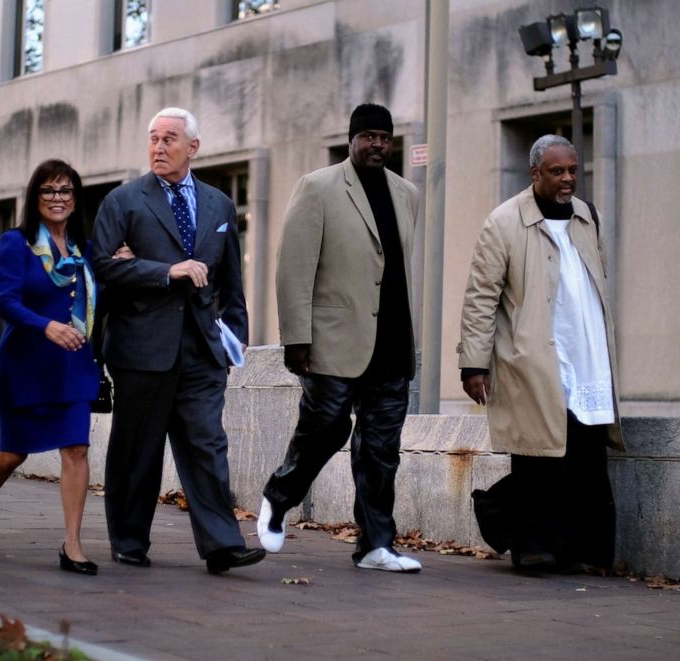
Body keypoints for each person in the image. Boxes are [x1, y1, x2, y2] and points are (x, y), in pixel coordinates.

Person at [91, 107, 266, 575]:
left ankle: (223, 545)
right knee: (137, 449)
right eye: (153, 138)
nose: (158, 147)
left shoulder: (219, 205)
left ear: (192, 147)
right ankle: (128, 540)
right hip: (142, 348)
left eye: (169, 139)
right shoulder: (123, 201)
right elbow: (103, 265)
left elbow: (232, 279)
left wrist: (237, 334)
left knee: (207, 445)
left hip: (203, 351)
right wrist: (165, 271)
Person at [257, 103, 422, 573]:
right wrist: (296, 337)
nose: (376, 145)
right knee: (325, 428)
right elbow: (294, 266)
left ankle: (375, 545)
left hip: (391, 342)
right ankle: (279, 494)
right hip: (333, 339)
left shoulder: (407, 193)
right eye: (368, 136)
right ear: (352, 140)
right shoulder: (318, 187)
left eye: (384, 138)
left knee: (381, 450)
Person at [458, 134, 624, 571]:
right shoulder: (504, 222)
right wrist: (473, 363)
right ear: (535, 173)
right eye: (557, 171)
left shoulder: (589, 217)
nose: (568, 178)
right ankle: (531, 546)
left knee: (587, 457)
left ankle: (588, 552)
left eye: (572, 169)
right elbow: (481, 298)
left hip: (586, 353)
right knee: (538, 457)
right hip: (532, 356)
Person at [0, 159, 113, 576]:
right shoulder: (17, 242)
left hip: (73, 365)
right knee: (12, 452)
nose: (58, 198)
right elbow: (5, 302)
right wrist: (45, 327)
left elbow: (99, 292)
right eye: (49, 190)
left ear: (75, 198)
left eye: (66, 191)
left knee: (76, 449)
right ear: (35, 197)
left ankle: (73, 545)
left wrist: (121, 258)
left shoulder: (84, 249)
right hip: (26, 364)